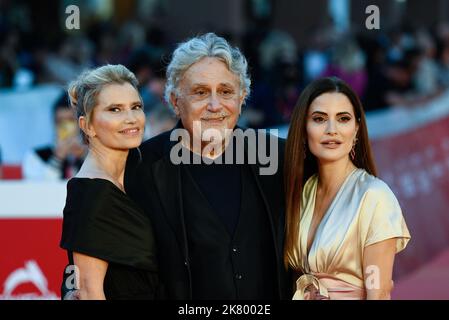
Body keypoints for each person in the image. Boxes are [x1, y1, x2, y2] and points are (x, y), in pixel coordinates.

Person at [123, 33, 289, 299]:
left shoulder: (278, 158)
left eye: (225, 92)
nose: (215, 105)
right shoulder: (140, 168)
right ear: (176, 102)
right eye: (200, 93)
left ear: (242, 97)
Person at [284, 76, 411, 300]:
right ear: (304, 129)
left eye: (343, 119)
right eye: (319, 118)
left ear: (356, 129)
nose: (332, 130)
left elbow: (379, 293)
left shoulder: (374, 197)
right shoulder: (302, 191)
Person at [60, 64, 159, 300]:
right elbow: (89, 293)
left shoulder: (138, 172)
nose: (131, 119)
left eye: (136, 107)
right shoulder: (91, 193)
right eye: (115, 110)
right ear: (88, 126)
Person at [23, 93, 87, 180]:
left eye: (71, 120)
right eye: (60, 121)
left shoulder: (93, 156)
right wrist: (57, 158)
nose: (65, 126)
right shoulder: (36, 156)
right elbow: (37, 189)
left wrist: (84, 158)